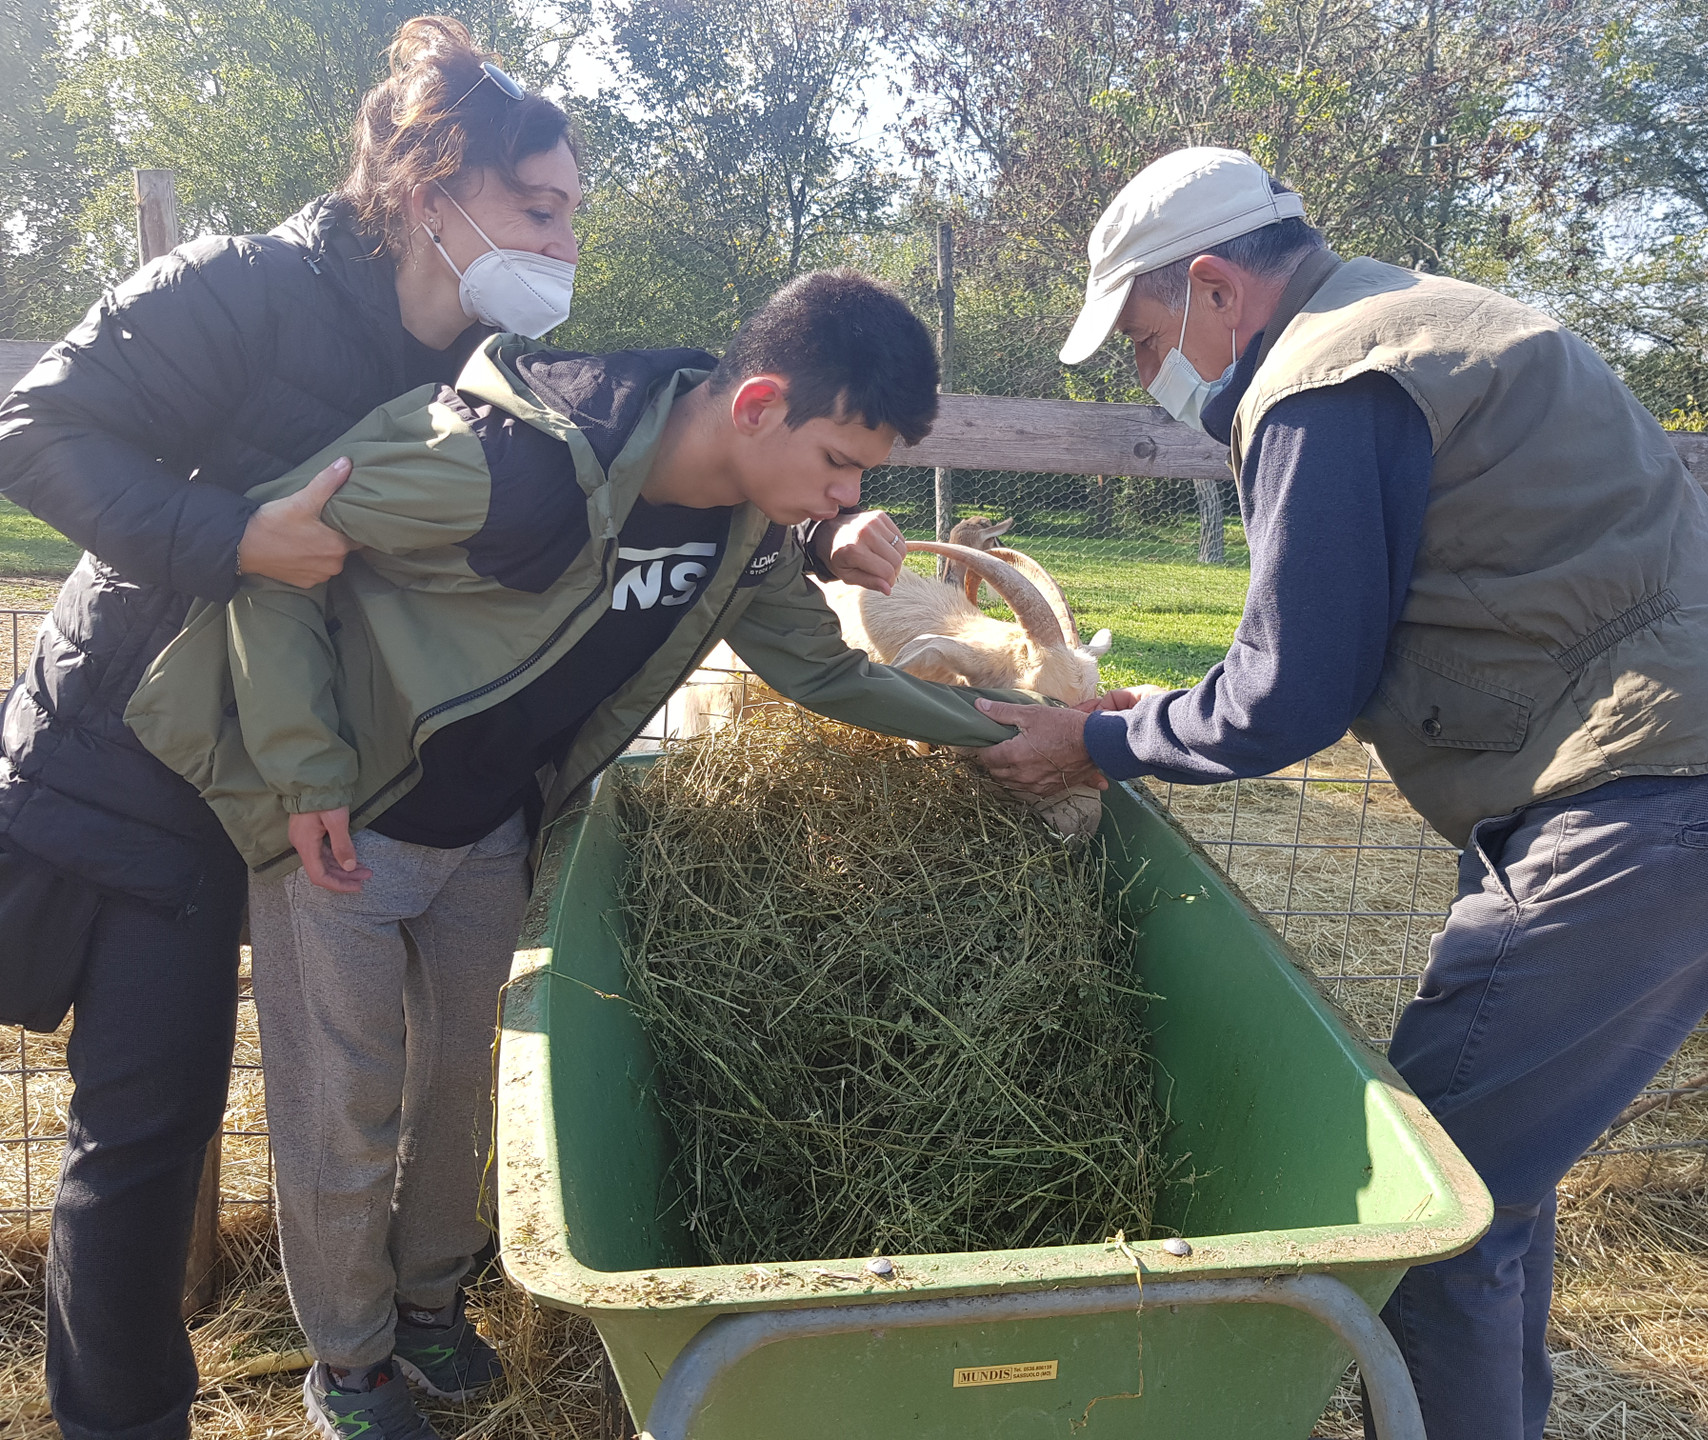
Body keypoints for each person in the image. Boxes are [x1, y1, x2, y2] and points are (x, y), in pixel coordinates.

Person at [0, 17, 898, 1439]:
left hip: (344, 777)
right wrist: (235, 535)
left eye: (572, 213)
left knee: (385, 1087)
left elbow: (622, 501)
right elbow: (33, 429)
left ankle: (399, 1317)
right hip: (146, 757)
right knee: (149, 1130)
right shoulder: (244, 290)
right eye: (540, 206)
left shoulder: (496, 361)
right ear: (435, 192)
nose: (565, 239)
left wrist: (817, 540)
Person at [974, 146, 1708, 1440]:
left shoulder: (1327, 386)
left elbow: (1289, 699)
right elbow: (1325, 639)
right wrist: (1141, 716)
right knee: (1494, 1176)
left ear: (1213, 287)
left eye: (1146, 339)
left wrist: (1091, 750)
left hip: (1651, 794)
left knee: (1432, 1213)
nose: (1152, 380)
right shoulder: (1410, 318)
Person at [124, 268, 1035, 1438]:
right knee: (343, 1106)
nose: (849, 499)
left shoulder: (748, 535)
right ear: (758, 405)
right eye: (842, 462)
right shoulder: (499, 457)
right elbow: (274, 553)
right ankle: (348, 1366)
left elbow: (825, 670)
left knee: (461, 1086)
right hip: (349, 820)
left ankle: (428, 1308)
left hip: (495, 825)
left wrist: (1009, 728)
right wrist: (302, 770)